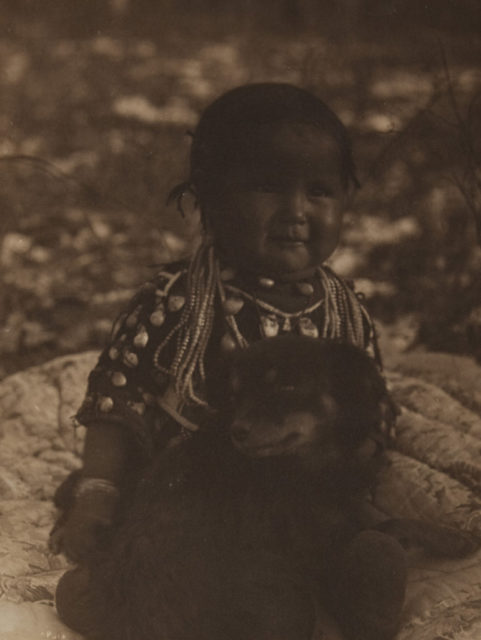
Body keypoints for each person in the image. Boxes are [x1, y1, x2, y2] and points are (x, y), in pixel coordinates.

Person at [51, 82, 393, 633]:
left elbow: (368, 406)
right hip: (192, 505)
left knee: (349, 549)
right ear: (211, 199)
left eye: (321, 191)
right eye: (268, 187)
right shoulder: (178, 301)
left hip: (306, 501)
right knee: (189, 574)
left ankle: (356, 591)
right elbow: (118, 398)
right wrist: (97, 492)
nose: (297, 211)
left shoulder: (345, 312)